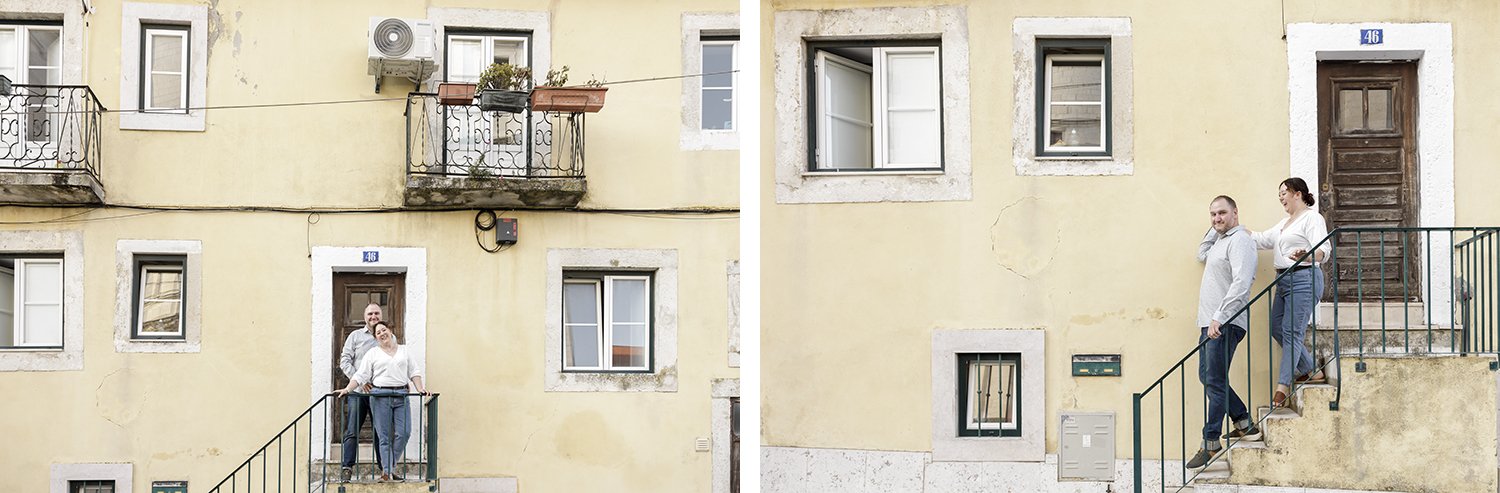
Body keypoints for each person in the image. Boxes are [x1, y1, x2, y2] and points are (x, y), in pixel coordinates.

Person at [1186, 195, 1261, 469]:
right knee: (1208, 378)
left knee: (1214, 380)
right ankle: (1243, 423)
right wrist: (1215, 228)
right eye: (1213, 214)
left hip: (1224, 322)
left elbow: (1242, 283)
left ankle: (1211, 442)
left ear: (1235, 213)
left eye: (1222, 213)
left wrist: (1219, 317)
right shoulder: (1220, 241)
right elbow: (1201, 253)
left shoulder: (1241, 241)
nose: (1217, 218)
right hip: (1210, 322)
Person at [1248, 177, 1330, 408]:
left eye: (1284, 193)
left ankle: (1282, 388)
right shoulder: (1285, 223)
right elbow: (1262, 239)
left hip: (1304, 278)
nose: (1281, 198)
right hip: (1283, 280)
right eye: (1279, 195)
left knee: (1291, 331)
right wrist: (1238, 230)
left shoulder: (1312, 218)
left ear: (1298, 193)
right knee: (1277, 329)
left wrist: (1308, 255)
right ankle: (1311, 371)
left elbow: (1323, 249)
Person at [337, 321, 427, 482]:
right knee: (384, 437)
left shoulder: (404, 350)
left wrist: (420, 389)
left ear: (390, 331)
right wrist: (347, 389)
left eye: (383, 330)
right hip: (379, 397)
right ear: (376, 337)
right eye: (378, 333)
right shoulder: (372, 353)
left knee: (403, 433)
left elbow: (414, 371)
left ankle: (389, 467)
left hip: (401, 395)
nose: (382, 333)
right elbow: (361, 375)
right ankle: (386, 473)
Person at [337, 303, 382, 481]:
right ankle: (347, 467)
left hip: (379, 393)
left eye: (376, 313)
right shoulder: (355, 336)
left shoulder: (385, 335)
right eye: (370, 313)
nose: (373, 316)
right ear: (365, 316)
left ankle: (384, 469)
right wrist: (359, 381)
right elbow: (345, 361)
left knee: (381, 432)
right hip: (357, 392)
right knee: (352, 430)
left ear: (381, 315)